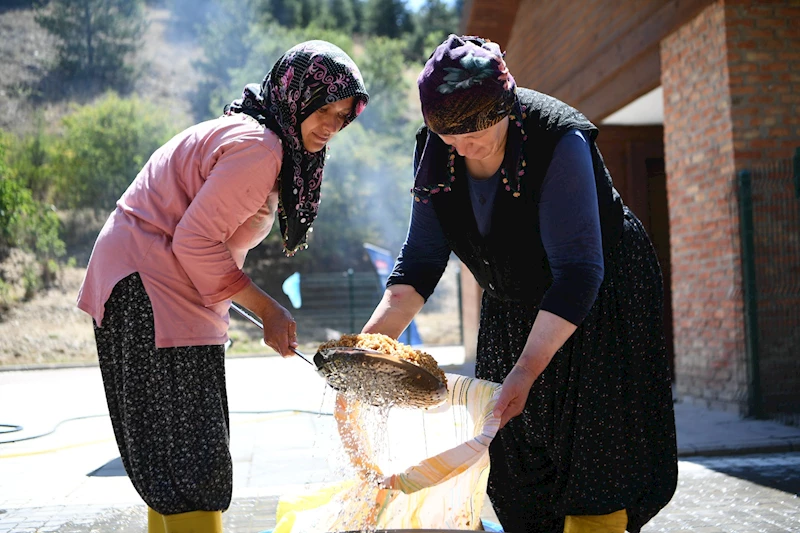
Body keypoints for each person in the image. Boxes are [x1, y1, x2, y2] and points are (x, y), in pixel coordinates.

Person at [361, 34, 677, 533]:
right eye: (451, 137)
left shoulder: (558, 140)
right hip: (511, 298)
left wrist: (526, 372)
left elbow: (578, 272)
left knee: (595, 460)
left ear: (506, 106)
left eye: (478, 134)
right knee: (511, 461)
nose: (464, 149)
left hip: (598, 301)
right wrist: (368, 351)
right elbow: (420, 261)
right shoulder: (436, 149)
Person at [77, 40, 368, 533]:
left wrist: (250, 310)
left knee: (173, 464)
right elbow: (194, 242)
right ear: (296, 96)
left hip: (142, 287)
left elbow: (197, 242)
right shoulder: (260, 149)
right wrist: (269, 311)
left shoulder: (254, 135)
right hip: (151, 293)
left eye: (343, 117)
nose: (331, 126)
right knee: (194, 466)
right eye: (324, 109)